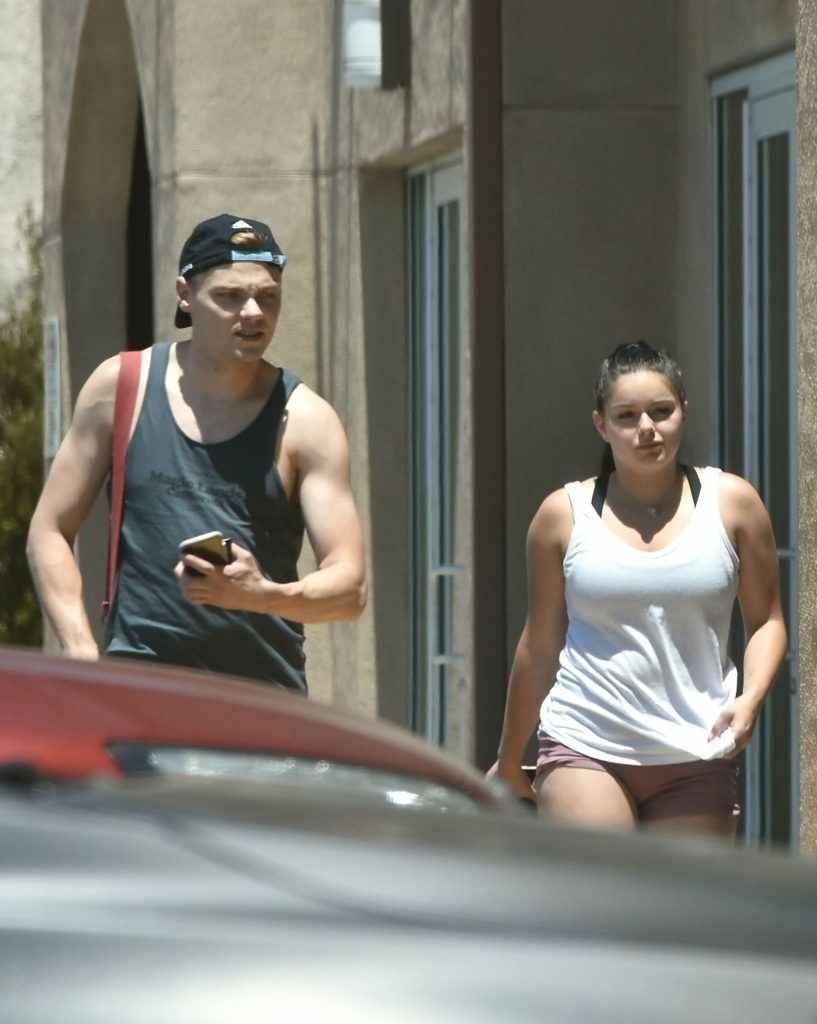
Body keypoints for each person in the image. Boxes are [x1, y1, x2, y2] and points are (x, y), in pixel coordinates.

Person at [27, 213, 366, 692]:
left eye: (268, 296)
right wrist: (80, 649)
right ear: (185, 294)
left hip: (260, 704)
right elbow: (49, 529)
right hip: (139, 696)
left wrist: (262, 595)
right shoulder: (122, 387)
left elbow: (349, 589)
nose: (253, 312)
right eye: (230, 296)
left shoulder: (306, 421)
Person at [492, 341, 786, 838]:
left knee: (681, 893)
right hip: (585, 742)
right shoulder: (563, 515)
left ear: (683, 411)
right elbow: (539, 645)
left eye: (661, 411)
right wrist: (507, 759)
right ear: (601, 425)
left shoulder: (733, 503)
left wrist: (751, 699)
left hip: (697, 748)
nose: (646, 428)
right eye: (626, 416)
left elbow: (767, 622)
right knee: (605, 885)